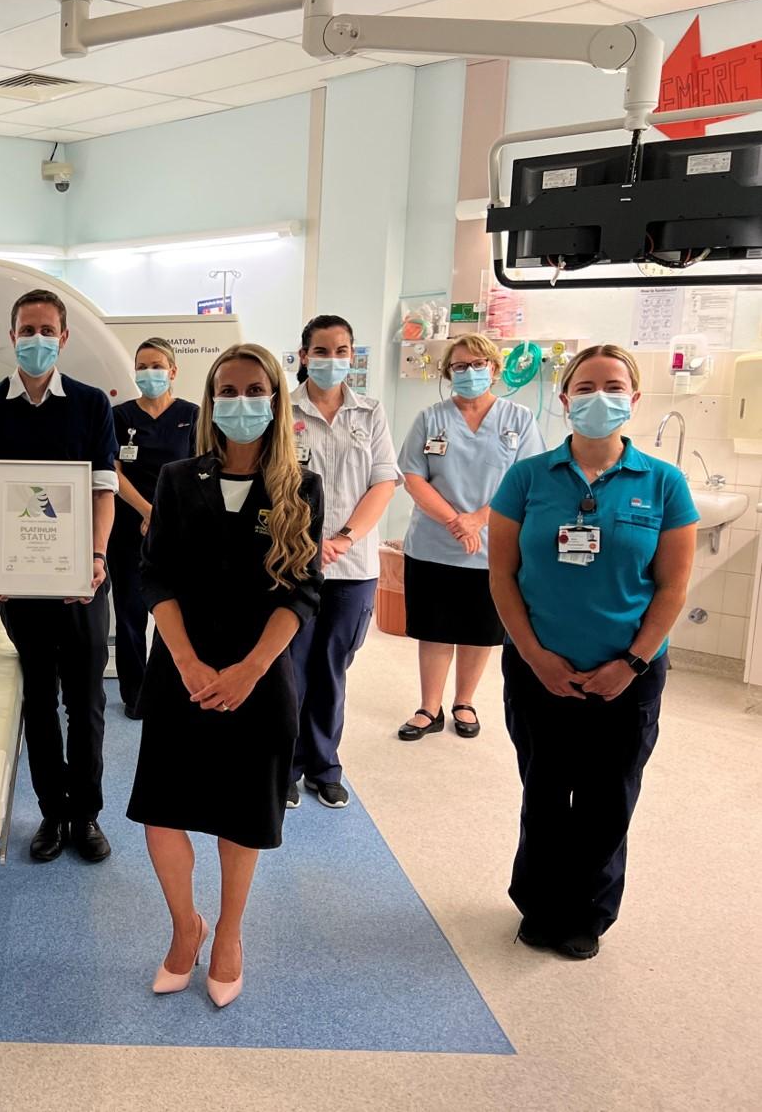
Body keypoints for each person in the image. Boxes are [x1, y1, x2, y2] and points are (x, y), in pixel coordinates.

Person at [128, 344, 324, 1008]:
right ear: (212, 402)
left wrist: (248, 671)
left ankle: (230, 933)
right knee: (161, 812)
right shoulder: (177, 478)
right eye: (229, 391)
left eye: (254, 390)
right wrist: (186, 662)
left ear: (275, 399)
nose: (242, 402)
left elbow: (302, 591)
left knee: (240, 816)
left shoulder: (301, 488)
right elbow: (155, 574)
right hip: (180, 671)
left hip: (259, 676)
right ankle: (186, 924)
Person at [488, 345, 696, 961]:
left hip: (628, 674)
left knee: (608, 798)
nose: (598, 398)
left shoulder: (664, 483)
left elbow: (673, 587)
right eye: (584, 387)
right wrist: (534, 656)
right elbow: (502, 575)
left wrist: (630, 663)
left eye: (613, 386)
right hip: (539, 668)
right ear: (564, 399)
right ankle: (540, 905)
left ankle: (588, 913)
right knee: (545, 791)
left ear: (634, 399)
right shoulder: (528, 478)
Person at [0, 288, 118, 865]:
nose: (37, 339)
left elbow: (102, 492)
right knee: (40, 703)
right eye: (28, 330)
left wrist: (96, 557)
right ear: (12, 336)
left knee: (87, 704)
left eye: (47, 330)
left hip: (81, 582)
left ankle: (87, 814)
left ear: (64, 337)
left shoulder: (91, 405)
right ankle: (52, 812)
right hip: (19, 585)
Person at [397, 334, 546, 742]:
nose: (469, 372)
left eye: (478, 364)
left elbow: (527, 481)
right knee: (435, 629)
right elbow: (412, 477)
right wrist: (455, 522)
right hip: (434, 542)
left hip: (492, 545)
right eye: (460, 366)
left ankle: (464, 701)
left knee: (480, 629)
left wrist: (478, 520)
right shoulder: (430, 419)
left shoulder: (518, 419)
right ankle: (429, 707)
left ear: (494, 369)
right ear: (448, 373)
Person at [286, 315, 400, 809]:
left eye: (341, 351)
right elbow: (272, 482)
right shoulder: (282, 409)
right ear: (304, 355)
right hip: (293, 561)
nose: (332, 360)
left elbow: (383, 482)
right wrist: (309, 542)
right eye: (321, 350)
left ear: (352, 356)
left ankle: (323, 766)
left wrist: (344, 538)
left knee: (332, 667)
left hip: (352, 568)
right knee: (290, 667)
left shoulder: (369, 413)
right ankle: (284, 768)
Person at [111, 337, 199, 719]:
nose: (149, 373)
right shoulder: (120, 416)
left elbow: (200, 470)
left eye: (157, 366)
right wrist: (147, 510)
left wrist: (162, 516)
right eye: (142, 367)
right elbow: (113, 472)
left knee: (173, 614)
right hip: (128, 527)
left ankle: (171, 687)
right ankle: (135, 695)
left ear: (173, 371)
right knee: (130, 614)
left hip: (177, 529)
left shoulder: (192, 415)